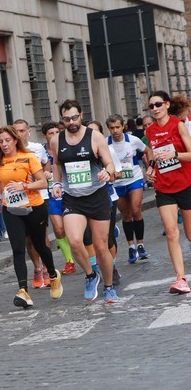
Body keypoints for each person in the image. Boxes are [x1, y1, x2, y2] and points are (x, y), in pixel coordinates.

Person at [50, 99, 119, 303]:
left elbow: (110, 163)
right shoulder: (57, 140)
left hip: (97, 196)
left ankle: (108, 287)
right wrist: (56, 184)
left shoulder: (95, 137)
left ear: (81, 116)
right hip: (73, 198)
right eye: (66, 118)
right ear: (62, 119)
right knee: (74, 241)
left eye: (74, 117)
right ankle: (91, 275)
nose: (71, 122)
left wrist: (107, 172)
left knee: (100, 247)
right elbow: (56, 164)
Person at [0, 125, 63, 308]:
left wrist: (23, 187)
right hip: (12, 210)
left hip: (34, 208)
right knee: (18, 249)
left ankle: (53, 276)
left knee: (40, 245)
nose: (4, 144)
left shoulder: (29, 157)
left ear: (15, 140)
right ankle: (23, 291)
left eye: (7, 140)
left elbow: (42, 182)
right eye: (1, 142)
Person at [145, 90, 191, 294]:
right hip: (164, 187)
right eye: (151, 106)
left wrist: (175, 154)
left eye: (157, 104)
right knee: (172, 233)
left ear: (166, 105)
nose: (154, 109)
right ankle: (180, 279)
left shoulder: (177, 125)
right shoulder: (150, 131)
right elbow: (154, 156)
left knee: (190, 234)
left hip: (185, 184)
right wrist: (150, 168)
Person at [106, 113, 151, 264]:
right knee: (125, 214)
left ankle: (140, 244)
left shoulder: (132, 140)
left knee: (136, 209)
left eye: (118, 127)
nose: (115, 130)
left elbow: (147, 150)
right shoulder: (106, 144)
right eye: (112, 128)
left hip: (134, 179)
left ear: (123, 126)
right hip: (118, 184)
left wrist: (151, 167)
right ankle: (131, 247)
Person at [13, 119, 51, 288]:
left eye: (22, 130)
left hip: (40, 195)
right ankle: (37, 267)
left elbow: (46, 162)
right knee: (28, 238)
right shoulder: (10, 153)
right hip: (22, 198)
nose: (20, 134)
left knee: (42, 235)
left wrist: (48, 172)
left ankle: (48, 268)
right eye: (16, 131)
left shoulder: (37, 148)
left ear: (28, 131)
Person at [87, 120, 123, 286]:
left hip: (107, 196)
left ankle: (113, 267)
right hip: (85, 198)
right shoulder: (80, 152)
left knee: (107, 238)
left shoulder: (108, 150)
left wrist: (106, 174)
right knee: (89, 238)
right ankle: (95, 269)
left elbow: (116, 173)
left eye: (95, 132)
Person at [41, 121, 76, 275]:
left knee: (75, 229)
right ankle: (69, 261)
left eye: (57, 132)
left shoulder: (66, 146)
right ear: (45, 136)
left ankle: (88, 255)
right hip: (51, 194)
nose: (55, 136)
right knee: (59, 228)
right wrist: (44, 174)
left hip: (69, 192)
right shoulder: (40, 151)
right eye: (51, 133)